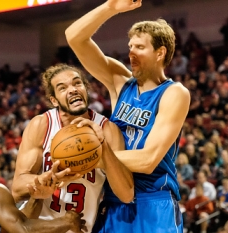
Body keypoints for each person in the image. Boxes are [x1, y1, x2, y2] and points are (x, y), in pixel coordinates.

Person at [65, 0, 190, 232]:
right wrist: (109, 7)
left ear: (160, 52)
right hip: (114, 200)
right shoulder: (120, 82)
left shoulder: (174, 93)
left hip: (153, 201)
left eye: (140, 47)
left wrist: (89, 158)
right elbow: (74, 37)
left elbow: (147, 160)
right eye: (130, 46)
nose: (131, 52)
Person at [11, 64, 134, 233]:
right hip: (42, 227)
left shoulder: (107, 129)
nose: (72, 90)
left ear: (85, 89)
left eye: (77, 83)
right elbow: (17, 189)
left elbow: (126, 194)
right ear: (54, 100)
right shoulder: (42, 125)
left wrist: (102, 145)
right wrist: (47, 180)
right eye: (62, 88)